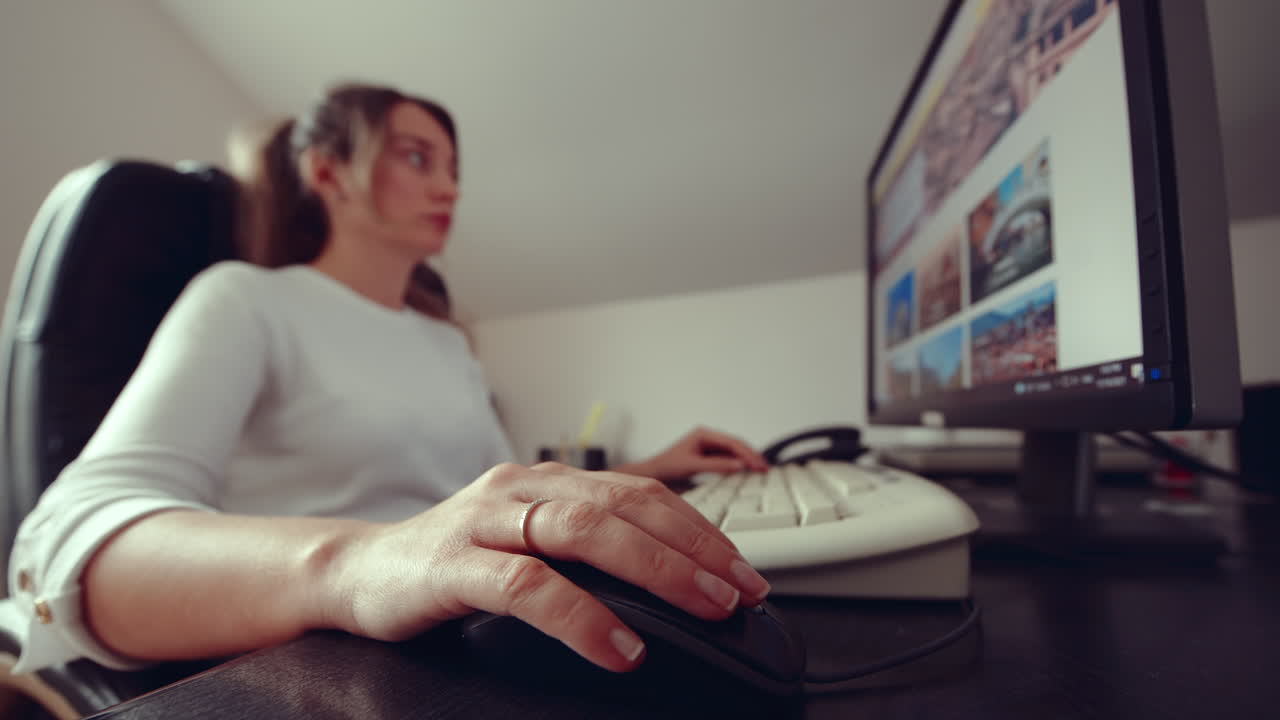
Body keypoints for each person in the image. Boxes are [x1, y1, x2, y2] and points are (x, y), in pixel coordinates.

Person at [5, 83, 773, 675]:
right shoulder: (245, 299)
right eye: (417, 158)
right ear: (328, 172)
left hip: (465, 652)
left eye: (452, 168)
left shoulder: (445, 342)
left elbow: (479, 499)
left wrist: (652, 470)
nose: (450, 189)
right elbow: (67, 545)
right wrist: (360, 562)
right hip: (327, 668)